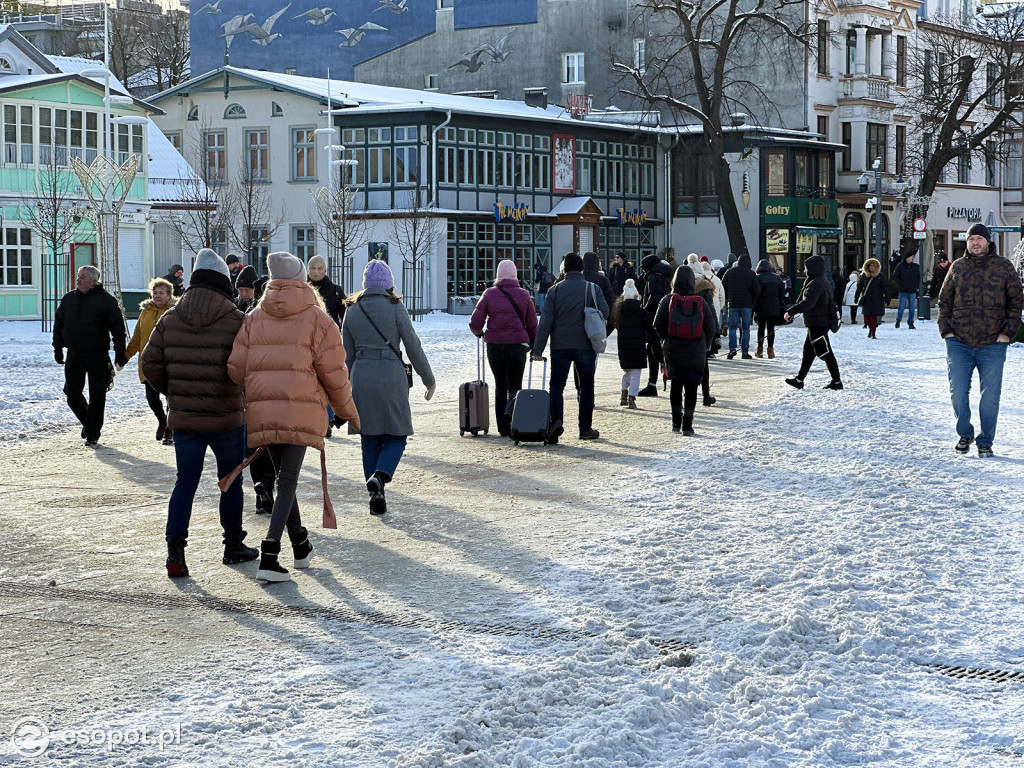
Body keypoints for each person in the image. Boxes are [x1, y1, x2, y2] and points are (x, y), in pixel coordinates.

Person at [228, 252, 361, 582]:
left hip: (262, 409)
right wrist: (350, 414)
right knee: (287, 481)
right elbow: (334, 374)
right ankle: (270, 555)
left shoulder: (254, 317)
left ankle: (300, 545)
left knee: (284, 479)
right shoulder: (318, 319)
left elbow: (235, 370)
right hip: (299, 408)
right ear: (303, 279)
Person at [140, 249, 259, 578]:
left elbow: (150, 363)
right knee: (230, 482)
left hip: (186, 419)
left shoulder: (170, 318)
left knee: (185, 482)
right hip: (227, 418)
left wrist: (174, 391)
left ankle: (175, 548)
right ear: (224, 282)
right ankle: (233, 544)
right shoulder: (237, 320)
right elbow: (250, 367)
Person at [343, 260, 435, 514]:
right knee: (396, 436)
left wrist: (344, 388)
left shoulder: (352, 310)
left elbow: (346, 355)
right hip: (391, 376)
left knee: (369, 438)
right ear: (388, 284)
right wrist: (428, 378)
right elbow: (412, 346)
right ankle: (380, 478)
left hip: (362, 376)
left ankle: (375, 495)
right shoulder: (396, 307)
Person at [937, 222, 1023, 457]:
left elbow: (1017, 301)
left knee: (990, 396)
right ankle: (965, 433)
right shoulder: (957, 267)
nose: (975, 243)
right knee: (958, 392)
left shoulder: (1003, 267)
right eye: (971, 239)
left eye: (979, 239)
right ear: (967, 242)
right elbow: (944, 301)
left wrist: (1007, 333)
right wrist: (947, 331)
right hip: (959, 343)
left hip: (993, 343)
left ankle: (986, 440)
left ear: (988, 241)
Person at [531, 251, 609, 442]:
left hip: (560, 346)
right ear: (582, 269)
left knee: (556, 386)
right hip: (585, 346)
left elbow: (545, 323)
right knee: (586, 387)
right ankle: (585, 429)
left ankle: (556, 421)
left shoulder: (554, 291)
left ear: (564, 269)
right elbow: (606, 312)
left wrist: (537, 350)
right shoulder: (592, 288)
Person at [52, 265, 127, 447]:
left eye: (83, 277)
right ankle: (88, 422)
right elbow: (59, 324)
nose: (78, 280)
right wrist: (58, 348)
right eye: (78, 276)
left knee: (97, 394)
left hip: (97, 355)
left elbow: (118, 328)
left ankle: (92, 433)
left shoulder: (106, 301)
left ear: (93, 282)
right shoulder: (69, 299)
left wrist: (119, 352)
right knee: (72, 394)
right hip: (74, 354)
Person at [469, 259, 537, 437]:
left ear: (498, 275)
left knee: (500, 386)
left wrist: (480, 334)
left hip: (495, 346)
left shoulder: (489, 294)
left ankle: (502, 428)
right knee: (515, 385)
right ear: (515, 275)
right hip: (517, 346)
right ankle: (515, 423)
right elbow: (533, 324)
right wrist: (535, 345)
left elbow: (475, 322)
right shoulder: (524, 295)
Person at [653, 266, 716, 435]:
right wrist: (705, 345)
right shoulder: (700, 301)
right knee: (691, 387)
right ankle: (687, 425)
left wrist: (666, 339)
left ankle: (675, 423)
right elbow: (711, 327)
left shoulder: (667, 300)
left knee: (676, 385)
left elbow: (657, 325)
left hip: (674, 350)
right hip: (696, 351)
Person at [124, 277, 176, 445]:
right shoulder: (145, 311)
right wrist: (124, 357)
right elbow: (137, 338)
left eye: (162, 293)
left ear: (169, 295)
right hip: (148, 362)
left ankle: (170, 429)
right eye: (155, 293)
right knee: (151, 396)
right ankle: (162, 420)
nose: (158, 296)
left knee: (170, 397)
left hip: (168, 361)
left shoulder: (174, 312)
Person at [784, 255, 843, 391]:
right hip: (817, 322)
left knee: (825, 352)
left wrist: (790, 312)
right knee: (809, 352)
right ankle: (799, 379)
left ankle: (837, 381)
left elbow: (808, 303)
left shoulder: (816, 284)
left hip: (818, 322)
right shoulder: (820, 281)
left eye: (806, 268)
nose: (805, 271)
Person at [608, 278, 657, 409]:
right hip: (638, 346)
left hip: (623, 347)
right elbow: (650, 329)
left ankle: (624, 393)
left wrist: (601, 338)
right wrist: (657, 340)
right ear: (636, 296)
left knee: (627, 371)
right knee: (636, 372)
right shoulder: (642, 312)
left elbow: (610, 326)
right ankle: (631, 397)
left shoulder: (619, 312)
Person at [637, 253, 674, 396]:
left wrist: (644, 311)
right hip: (670, 317)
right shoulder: (669, 274)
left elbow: (654, 297)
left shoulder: (653, 276)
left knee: (652, 350)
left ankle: (652, 384)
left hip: (655, 319)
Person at [721, 252, 760, 359]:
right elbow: (757, 289)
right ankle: (744, 351)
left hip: (733, 303)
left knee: (732, 327)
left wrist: (728, 298)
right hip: (747, 304)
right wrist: (753, 300)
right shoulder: (751, 274)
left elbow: (723, 286)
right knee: (746, 328)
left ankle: (732, 349)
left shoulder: (730, 272)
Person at [753, 259, 786, 359]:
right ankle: (770, 350)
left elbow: (755, 292)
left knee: (761, 328)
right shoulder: (777, 278)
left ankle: (759, 349)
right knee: (771, 329)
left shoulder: (757, 278)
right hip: (773, 306)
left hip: (761, 306)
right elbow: (782, 294)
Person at [307, 254, 345, 328]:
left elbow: (344, 316)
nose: (316, 271)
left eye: (320, 268)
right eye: (313, 268)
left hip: (330, 333)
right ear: (308, 270)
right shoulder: (302, 290)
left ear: (325, 270)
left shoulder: (336, 291)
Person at [855, 258, 888, 339]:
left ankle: (873, 332)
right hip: (867, 299)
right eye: (870, 266)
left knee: (873, 317)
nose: (871, 267)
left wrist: (887, 298)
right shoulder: (864, 276)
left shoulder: (880, 276)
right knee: (866, 316)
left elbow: (885, 288)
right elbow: (859, 287)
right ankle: (870, 329)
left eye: (873, 266)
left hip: (877, 299)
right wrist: (856, 296)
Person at [892, 252, 921, 328]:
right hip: (903, 290)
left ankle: (911, 322)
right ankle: (898, 320)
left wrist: (916, 284)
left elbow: (918, 276)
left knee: (912, 308)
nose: (912, 258)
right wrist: (901, 283)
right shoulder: (900, 266)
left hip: (912, 290)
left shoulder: (915, 267)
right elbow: (895, 276)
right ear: (907, 258)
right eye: (911, 256)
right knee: (901, 307)